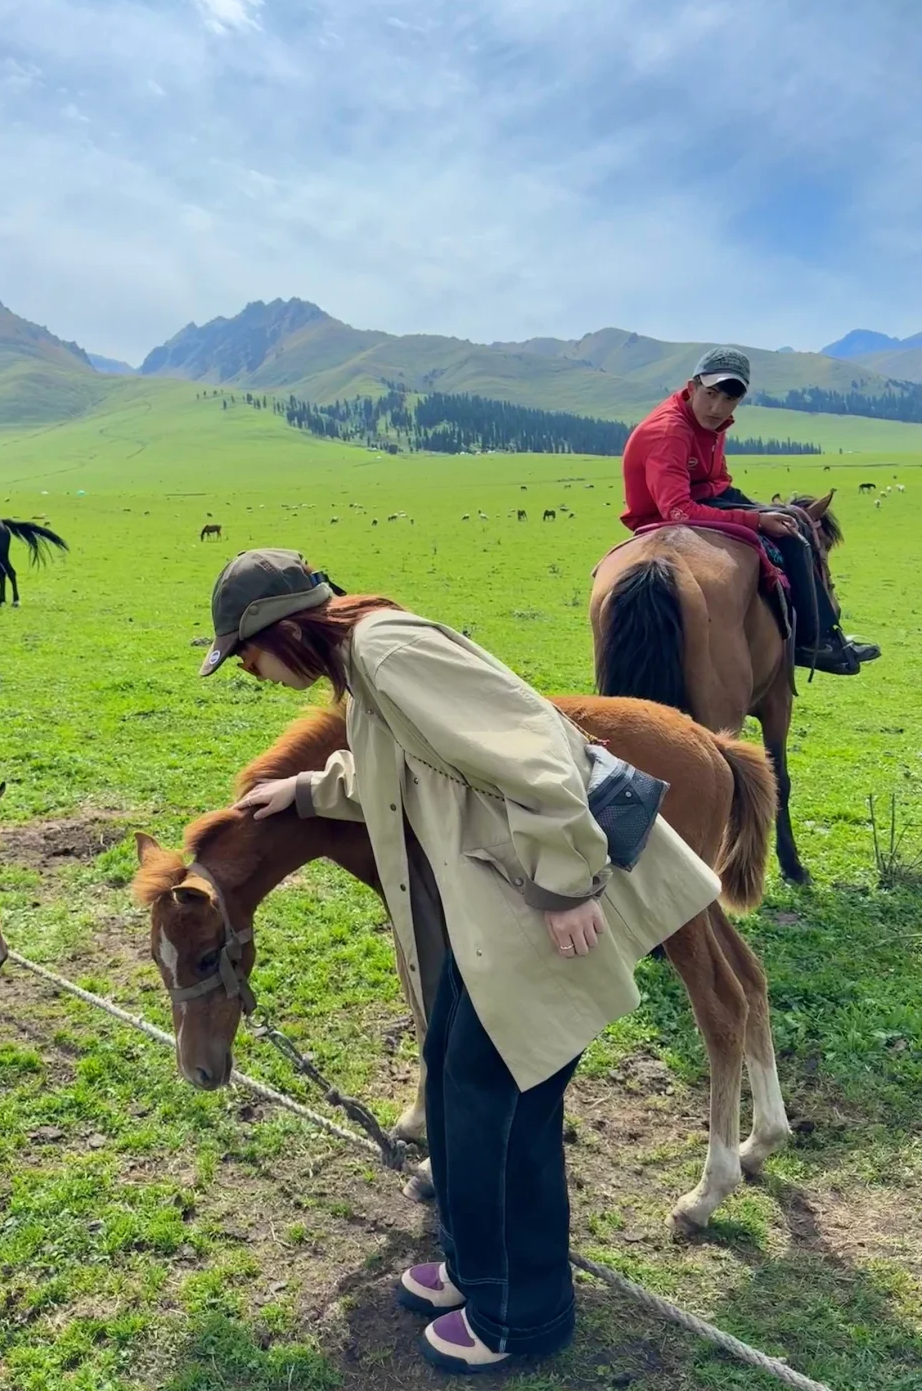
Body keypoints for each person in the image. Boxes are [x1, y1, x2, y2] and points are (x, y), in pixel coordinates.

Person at [200, 548, 721, 1373]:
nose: (252, 676)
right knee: (455, 1075)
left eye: (246, 658)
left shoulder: (389, 653)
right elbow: (405, 763)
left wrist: (569, 881)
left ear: (279, 632)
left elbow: (535, 755)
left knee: (501, 1108)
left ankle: (521, 1317)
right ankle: (478, 1269)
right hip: (494, 908)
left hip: (530, 905)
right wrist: (306, 793)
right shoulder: (364, 663)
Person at [620, 347, 880, 675]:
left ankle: (819, 631)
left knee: (794, 519)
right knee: (792, 535)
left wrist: (756, 512)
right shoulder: (670, 431)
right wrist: (755, 519)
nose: (718, 408)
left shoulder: (711, 420)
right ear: (692, 386)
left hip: (706, 495)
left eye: (730, 399)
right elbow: (677, 510)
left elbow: (717, 478)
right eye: (711, 394)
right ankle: (816, 640)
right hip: (668, 511)